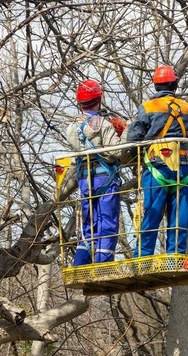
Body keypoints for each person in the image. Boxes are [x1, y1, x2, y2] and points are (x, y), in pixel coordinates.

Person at [126, 65, 188, 257]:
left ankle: (143, 256)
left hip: (157, 164)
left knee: (151, 212)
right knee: (180, 213)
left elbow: (134, 138)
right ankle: (176, 254)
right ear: (175, 84)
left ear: (156, 85)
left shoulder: (148, 107)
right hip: (183, 167)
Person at [66, 79, 126, 266]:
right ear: (99, 99)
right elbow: (116, 152)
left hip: (85, 180)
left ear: (79, 102)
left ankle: (80, 263)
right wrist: (124, 132)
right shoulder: (103, 125)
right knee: (107, 223)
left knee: (88, 224)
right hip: (105, 178)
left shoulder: (72, 128)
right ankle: (103, 265)